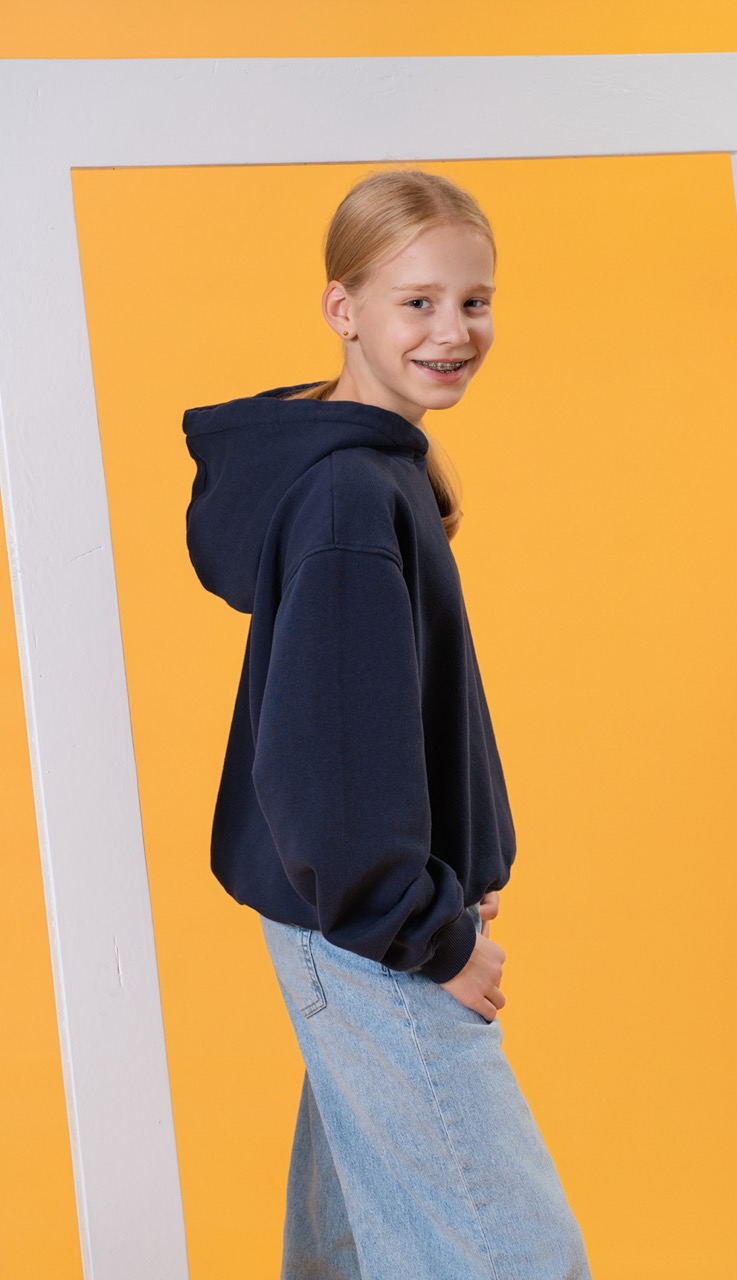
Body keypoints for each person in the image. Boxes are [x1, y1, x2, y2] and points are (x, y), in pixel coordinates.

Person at [182, 169, 590, 1280]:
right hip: (373, 935)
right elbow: (328, 763)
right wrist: (427, 932)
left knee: (353, 1252)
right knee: (511, 1257)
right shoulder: (348, 497)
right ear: (343, 308)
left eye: (474, 301)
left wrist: (446, 873)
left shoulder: (373, 474)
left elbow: (373, 718)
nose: (453, 331)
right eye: (418, 301)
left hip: (363, 916)